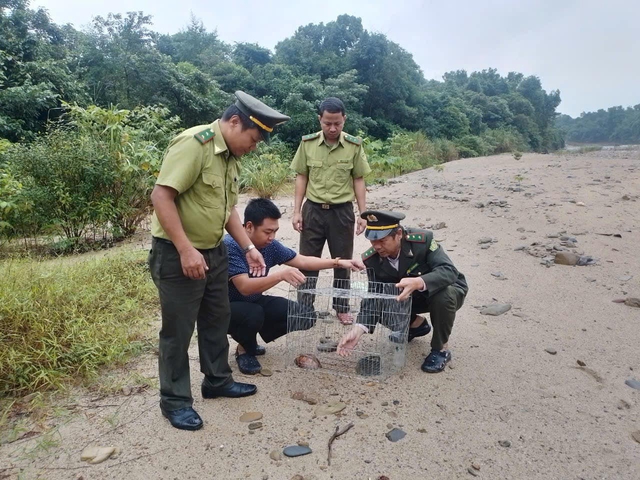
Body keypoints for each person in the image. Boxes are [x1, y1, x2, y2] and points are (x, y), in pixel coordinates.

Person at [148, 91, 290, 431]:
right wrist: (185, 249)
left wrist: (247, 247)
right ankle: (175, 401)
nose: (254, 146)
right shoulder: (195, 144)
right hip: (178, 254)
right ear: (235, 122)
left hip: (214, 252)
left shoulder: (229, 156)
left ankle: (217, 380)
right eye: (253, 139)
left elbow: (225, 208)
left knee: (216, 319)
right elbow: (161, 196)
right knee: (178, 331)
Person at [225, 198, 363, 374]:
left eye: (275, 231)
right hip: (227, 307)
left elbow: (303, 260)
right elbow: (244, 287)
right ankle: (245, 348)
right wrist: (281, 275)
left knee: (305, 315)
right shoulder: (231, 246)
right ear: (249, 227)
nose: (272, 237)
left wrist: (340, 262)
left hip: (254, 300)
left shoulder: (270, 246)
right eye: (267, 232)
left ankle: (250, 336)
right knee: (254, 314)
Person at [337, 211, 468, 373]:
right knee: (383, 302)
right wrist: (358, 329)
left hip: (442, 291)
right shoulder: (372, 259)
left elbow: (449, 271)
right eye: (373, 241)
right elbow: (374, 296)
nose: (377, 246)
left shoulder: (422, 242)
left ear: (398, 234)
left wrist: (420, 282)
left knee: (443, 295)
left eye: (382, 240)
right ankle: (416, 325)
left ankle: (440, 349)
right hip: (408, 296)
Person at [290, 97, 371, 325]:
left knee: (343, 262)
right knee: (307, 261)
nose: (332, 128)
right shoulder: (307, 144)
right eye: (327, 123)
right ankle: (304, 308)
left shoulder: (354, 145)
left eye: (337, 123)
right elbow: (301, 177)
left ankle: (342, 306)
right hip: (313, 211)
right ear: (320, 120)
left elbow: (358, 179)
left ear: (344, 119)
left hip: (342, 212)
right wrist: (296, 211)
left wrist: (362, 214)